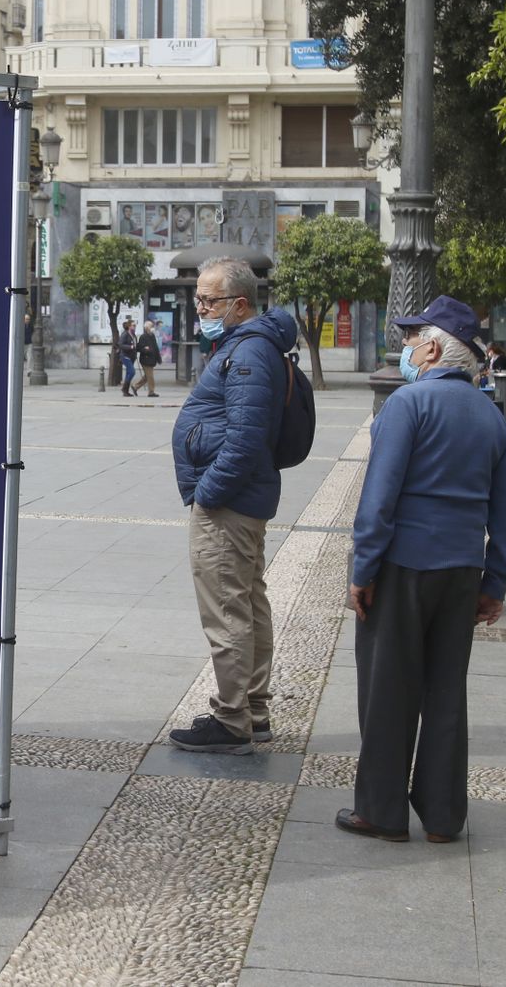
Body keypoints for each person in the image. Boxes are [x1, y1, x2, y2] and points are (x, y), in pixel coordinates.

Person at [339, 295, 506, 842]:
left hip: (403, 566)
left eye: (414, 339)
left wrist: (362, 569)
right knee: (447, 695)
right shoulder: (490, 416)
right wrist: (495, 580)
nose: (407, 348)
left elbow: (380, 499)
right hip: (462, 570)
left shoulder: (408, 404)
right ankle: (444, 816)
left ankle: (381, 810)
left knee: (388, 691)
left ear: (437, 346)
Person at [168, 258, 301, 753]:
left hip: (229, 504)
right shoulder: (249, 346)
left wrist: (209, 493)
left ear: (239, 304)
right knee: (246, 601)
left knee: (228, 610)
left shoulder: (246, 354)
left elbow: (244, 440)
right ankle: (253, 709)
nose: (199, 308)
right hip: (243, 500)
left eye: (209, 300)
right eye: (199, 299)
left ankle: (230, 720)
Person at [134, 320, 162, 397]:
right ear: (147, 328)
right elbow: (139, 348)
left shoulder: (152, 336)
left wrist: (158, 358)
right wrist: (146, 349)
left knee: (147, 377)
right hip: (145, 360)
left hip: (151, 359)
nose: (152, 328)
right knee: (150, 377)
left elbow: (155, 347)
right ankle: (151, 392)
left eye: (152, 326)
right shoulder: (143, 337)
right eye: (151, 326)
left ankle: (135, 387)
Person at [117, 316, 140, 396]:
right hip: (125, 356)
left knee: (128, 373)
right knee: (132, 372)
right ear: (129, 326)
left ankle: (125, 391)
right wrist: (130, 347)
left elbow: (135, 345)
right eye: (133, 325)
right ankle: (124, 388)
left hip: (132, 356)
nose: (134, 327)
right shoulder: (125, 334)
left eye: (135, 325)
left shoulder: (133, 335)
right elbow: (120, 344)